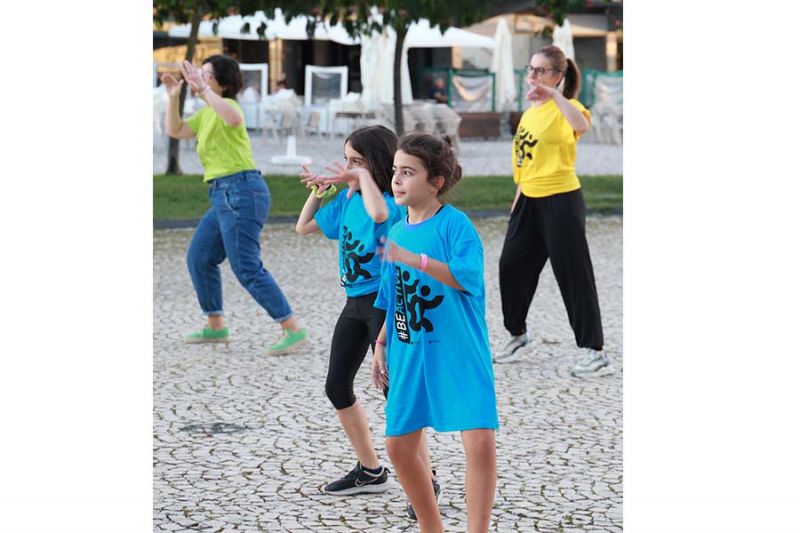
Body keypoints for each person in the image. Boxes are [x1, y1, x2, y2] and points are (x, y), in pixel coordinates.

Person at [296, 127, 440, 517]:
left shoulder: (390, 203)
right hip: (354, 303)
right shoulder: (348, 200)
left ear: (376, 163)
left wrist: (359, 178)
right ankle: (370, 471)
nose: (348, 168)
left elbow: (378, 213)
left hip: (384, 304)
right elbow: (304, 226)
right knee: (336, 385)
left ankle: (423, 481)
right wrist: (321, 189)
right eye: (345, 160)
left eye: (356, 161)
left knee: (398, 394)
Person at [371, 133, 498, 533]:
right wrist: (380, 343)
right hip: (410, 353)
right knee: (398, 445)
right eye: (395, 171)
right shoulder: (396, 230)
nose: (397, 180)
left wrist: (417, 259)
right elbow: (393, 296)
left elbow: (466, 277)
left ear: (435, 182)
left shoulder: (455, 225)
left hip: (459, 353)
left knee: (479, 444)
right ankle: (432, 526)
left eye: (408, 173)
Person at [161, 56, 308, 353]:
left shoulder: (231, 107)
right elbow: (175, 131)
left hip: (242, 191)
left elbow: (234, 119)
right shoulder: (205, 115)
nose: (199, 77)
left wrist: (202, 90)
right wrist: (174, 97)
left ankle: (292, 328)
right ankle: (216, 325)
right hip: (221, 194)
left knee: (246, 266)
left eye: (207, 74)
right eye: (199, 73)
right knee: (200, 257)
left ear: (223, 82)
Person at [493, 45, 612, 377]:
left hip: (561, 200)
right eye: (530, 70)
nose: (532, 76)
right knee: (511, 267)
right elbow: (526, 163)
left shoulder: (568, 108)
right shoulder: (530, 114)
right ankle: (517, 335)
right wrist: (518, 202)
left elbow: (581, 125)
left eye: (540, 71)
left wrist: (554, 96)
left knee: (573, 276)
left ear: (558, 77)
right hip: (529, 200)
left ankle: (595, 352)